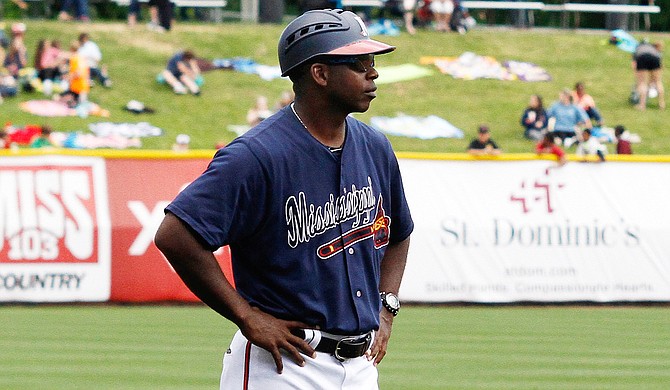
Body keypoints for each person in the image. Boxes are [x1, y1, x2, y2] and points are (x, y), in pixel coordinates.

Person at [154, 9, 413, 389]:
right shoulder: (256, 155)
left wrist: (386, 307)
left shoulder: (374, 146)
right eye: (360, 63)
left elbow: (399, 231)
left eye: (371, 62)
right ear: (320, 74)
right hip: (283, 366)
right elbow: (175, 234)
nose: (373, 73)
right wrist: (247, 317)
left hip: (359, 367)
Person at [632, 40, 665, 110]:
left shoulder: (638, 48)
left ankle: (642, 105)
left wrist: (637, 76)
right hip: (655, 58)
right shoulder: (654, 49)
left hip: (642, 57)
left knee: (642, 82)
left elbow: (634, 63)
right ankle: (661, 104)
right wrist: (652, 80)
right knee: (658, 81)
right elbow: (660, 65)